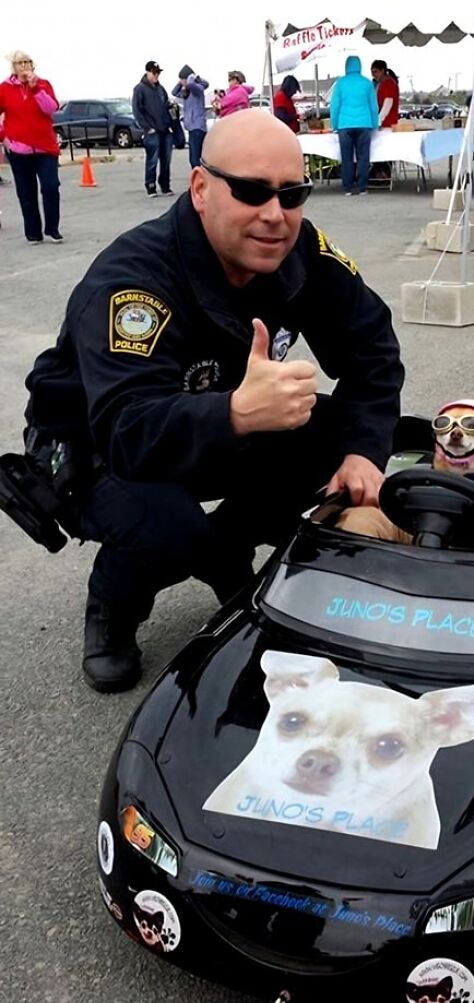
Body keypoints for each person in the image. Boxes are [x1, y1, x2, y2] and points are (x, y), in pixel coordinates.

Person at [22, 109, 404, 694]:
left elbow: (372, 351)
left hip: (219, 414)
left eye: (292, 193)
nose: (274, 215)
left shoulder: (301, 249)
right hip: (97, 438)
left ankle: (226, 548)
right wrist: (233, 412)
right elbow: (128, 428)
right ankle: (113, 604)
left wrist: (362, 451)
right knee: (165, 528)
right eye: (251, 192)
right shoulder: (134, 280)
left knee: (339, 442)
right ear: (201, 188)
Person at [0, 50, 61, 243]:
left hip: (45, 148)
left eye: (27, 62)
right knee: (26, 193)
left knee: (50, 187)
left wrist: (36, 89)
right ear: (14, 67)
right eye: (20, 63)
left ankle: (52, 228)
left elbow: (51, 108)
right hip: (19, 149)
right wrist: (3, 137)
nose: (24, 65)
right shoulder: (5, 89)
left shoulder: (43, 84)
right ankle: (33, 232)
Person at [330, 56, 378, 196]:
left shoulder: (340, 83)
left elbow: (335, 106)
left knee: (347, 158)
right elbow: (373, 107)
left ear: (346, 66)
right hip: (364, 124)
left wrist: (335, 125)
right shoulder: (367, 83)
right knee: (363, 157)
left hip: (344, 125)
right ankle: (363, 187)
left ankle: (348, 188)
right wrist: (374, 124)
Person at [132, 60, 173, 197]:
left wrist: (170, 119)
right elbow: (137, 110)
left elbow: (166, 105)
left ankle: (165, 185)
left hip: (165, 130)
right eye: (154, 73)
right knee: (152, 159)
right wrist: (147, 127)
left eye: (158, 73)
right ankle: (150, 185)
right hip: (152, 131)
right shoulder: (139, 89)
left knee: (166, 160)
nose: (157, 76)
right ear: (148, 72)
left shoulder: (161, 89)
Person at [172, 64, 210, 168]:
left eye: (183, 79)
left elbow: (196, 85)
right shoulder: (186, 92)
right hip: (191, 126)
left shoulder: (197, 89)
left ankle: (198, 180)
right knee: (193, 158)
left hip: (198, 126)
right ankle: (197, 179)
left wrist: (191, 78)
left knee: (195, 159)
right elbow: (174, 92)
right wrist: (180, 83)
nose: (183, 82)